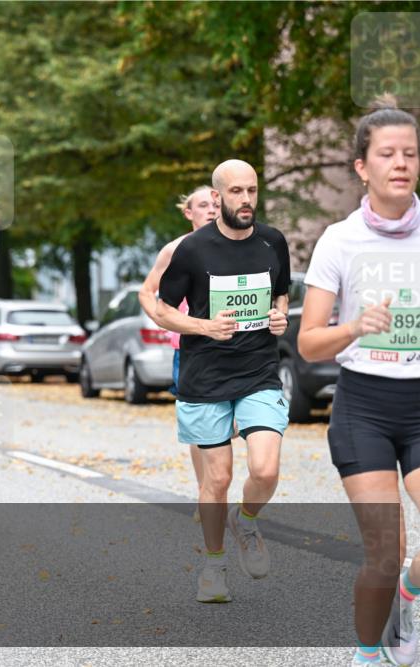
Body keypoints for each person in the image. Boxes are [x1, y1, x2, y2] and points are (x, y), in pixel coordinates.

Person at [297, 98, 420, 667]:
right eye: (388, 154)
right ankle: (369, 655)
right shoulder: (339, 241)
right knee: (385, 549)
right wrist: (355, 326)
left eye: (410, 153)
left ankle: (410, 599)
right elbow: (308, 343)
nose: (401, 163)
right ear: (362, 167)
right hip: (364, 408)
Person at [154, 159, 291, 604]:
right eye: (236, 192)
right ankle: (214, 567)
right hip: (205, 377)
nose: (246, 200)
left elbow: (281, 293)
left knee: (265, 470)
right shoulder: (192, 249)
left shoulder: (273, 241)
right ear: (217, 197)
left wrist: (280, 316)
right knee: (217, 479)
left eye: (252, 190)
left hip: (258, 373)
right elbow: (162, 309)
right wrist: (204, 327)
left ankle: (246, 520)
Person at [138, 186, 220, 511]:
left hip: (236, 347)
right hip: (190, 349)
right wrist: (163, 318)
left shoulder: (239, 245)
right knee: (201, 426)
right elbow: (147, 291)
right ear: (189, 212)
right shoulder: (175, 250)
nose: (212, 210)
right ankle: (206, 493)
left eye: (216, 204)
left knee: (233, 423)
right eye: (203, 205)